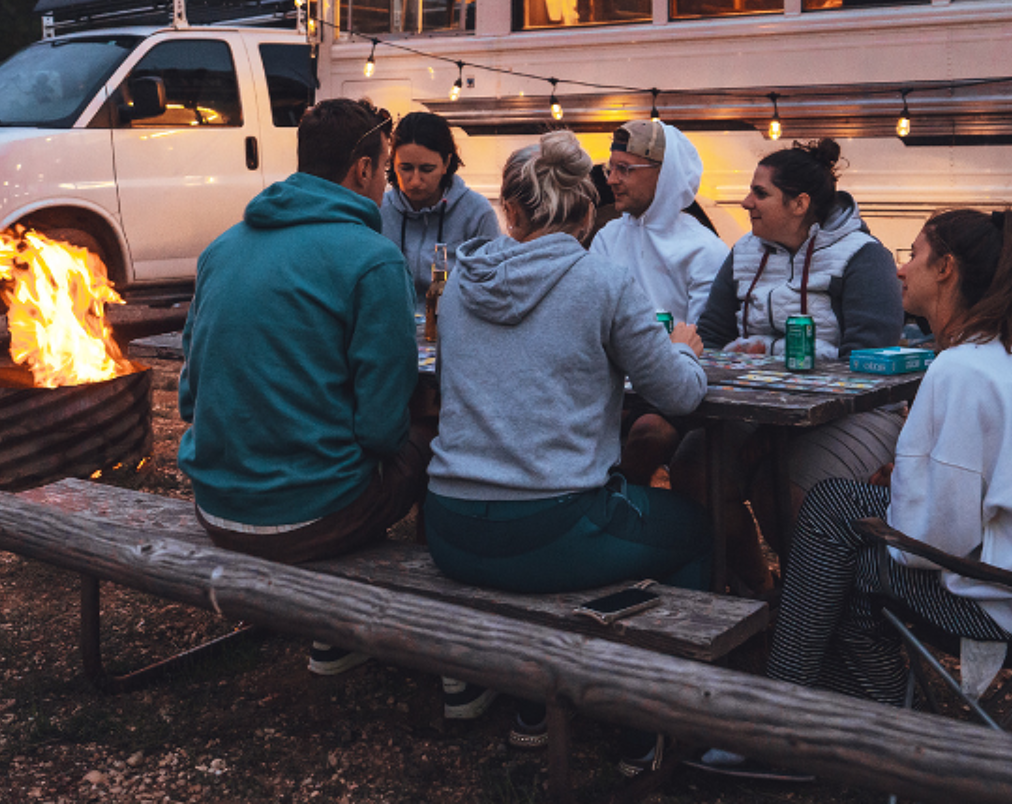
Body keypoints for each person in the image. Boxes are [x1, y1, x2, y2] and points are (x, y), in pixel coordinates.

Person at [693, 208, 1012, 779]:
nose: (901, 270)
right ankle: (865, 710)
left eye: (915, 255)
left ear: (947, 269)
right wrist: (899, 488)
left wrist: (888, 513)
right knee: (839, 516)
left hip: (1002, 602)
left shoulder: (961, 370)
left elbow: (933, 540)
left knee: (837, 529)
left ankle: (777, 719)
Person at [422, 130, 712, 763]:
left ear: (510, 212)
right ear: (587, 214)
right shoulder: (602, 282)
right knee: (691, 530)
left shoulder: (460, 284)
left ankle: (532, 698)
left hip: (448, 526)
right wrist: (685, 352)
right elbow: (678, 394)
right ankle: (650, 727)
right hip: (550, 531)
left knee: (615, 529)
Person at [175, 97, 428, 676]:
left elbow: (191, 398)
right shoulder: (372, 259)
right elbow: (382, 428)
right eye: (387, 169)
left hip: (216, 506)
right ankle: (437, 644)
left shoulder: (222, 248)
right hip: (314, 516)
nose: (388, 184)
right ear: (363, 170)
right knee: (434, 436)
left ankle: (340, 627)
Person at [630, 140, 904, 588]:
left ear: (799, 204)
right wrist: (753, 401)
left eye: (760, 193)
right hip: (756, 405)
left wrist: (775, 421)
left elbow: (865, 366)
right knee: (695, 474)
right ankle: (758, 594)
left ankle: (816, 610)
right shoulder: (743, 252)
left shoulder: (862, 257)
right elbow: (712, 339)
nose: (746, 202)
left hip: (853, 413)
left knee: (786, 496)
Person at [588, 118, 729, 325]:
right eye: (611, 168)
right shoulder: (607, 238)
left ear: (664, 173)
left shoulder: (704, 249)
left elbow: (704, 338)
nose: (611, 180)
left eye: (624, 168)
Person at [379, 111, 500, 298]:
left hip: (454, 325)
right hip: (393, 323)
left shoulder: (477, 212)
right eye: (406, 168)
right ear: (392, 162)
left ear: (447, 163)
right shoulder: (379, 210)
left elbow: (490, 286)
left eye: (427, 169)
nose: (415, 181)